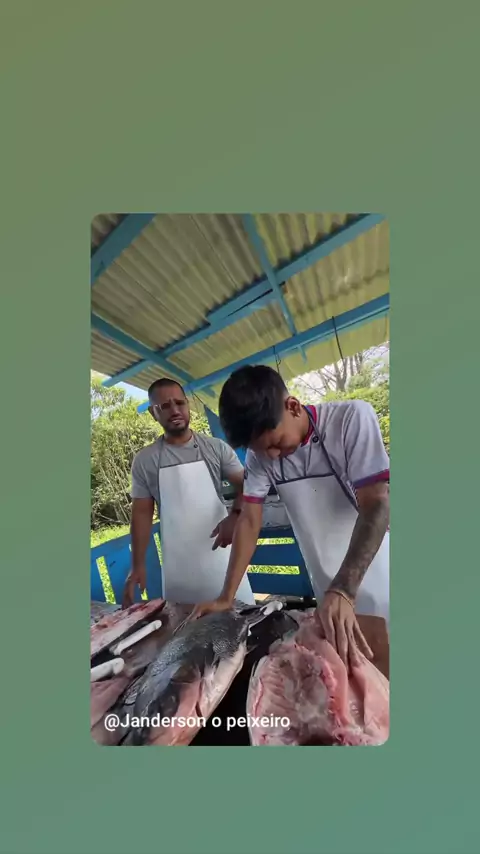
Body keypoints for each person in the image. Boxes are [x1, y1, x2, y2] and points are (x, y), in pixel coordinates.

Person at [190, 365, 390, 668]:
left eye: (275, 443)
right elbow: (249, 520)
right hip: (325, 581)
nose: (271, 456)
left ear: (293, 406)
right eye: (261, 450)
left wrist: (344, 588)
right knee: (349, 672)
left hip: (375, 570)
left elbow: (376, 503)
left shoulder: (350, 419)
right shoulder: (259, 457)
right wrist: (226, 597)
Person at [122, 378, 255, 609]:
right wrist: (137, 565)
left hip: (222, 560)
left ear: (187, 404)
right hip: (179, 569)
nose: (175, 410)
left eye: (179, 403)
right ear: (153, 413)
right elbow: (141, 515)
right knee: (182, 624)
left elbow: (247, 485)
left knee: (239, 619)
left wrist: (235, 515)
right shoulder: (145, 461)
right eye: (165, 406)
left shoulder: (216, 448)